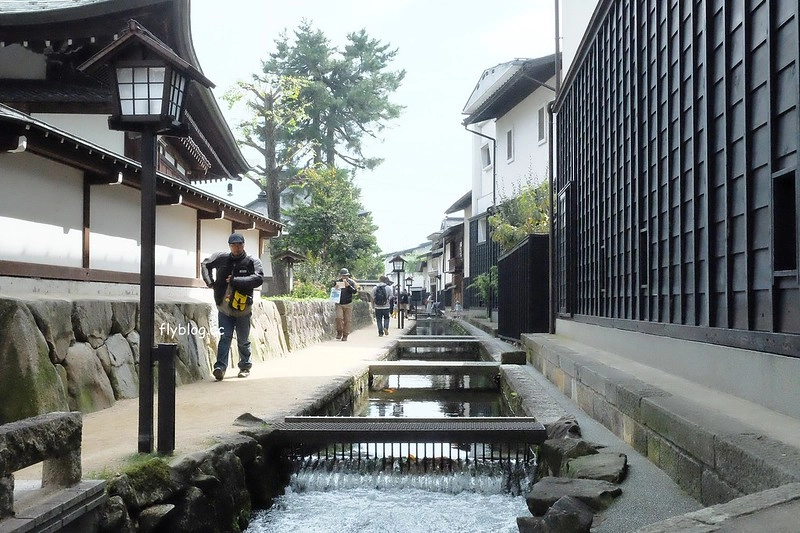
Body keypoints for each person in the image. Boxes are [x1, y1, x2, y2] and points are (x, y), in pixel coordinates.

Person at [201, 233, 264, 381]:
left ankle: (245, 366)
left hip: (243, 308)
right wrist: (210, 282)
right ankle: (220, 368)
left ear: (243, 245)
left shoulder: (252, 261)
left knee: (243, 339)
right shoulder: (221, 258)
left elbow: (258, 278)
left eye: (239, 244)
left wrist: (236, 280)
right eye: (233, 245)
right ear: (229, 246)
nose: (237, 247)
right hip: (224, 308)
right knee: (225, 337)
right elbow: (205, 264)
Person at [332, 268, 358, 341]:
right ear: (341, 275)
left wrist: (348, 286)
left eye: (346, 276)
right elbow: (332, 292)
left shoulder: (351, 282)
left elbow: (355, 291)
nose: (344, 277)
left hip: (348, 303)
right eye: (343, 276)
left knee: (347, 320)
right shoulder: (337, 282)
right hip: (339, 303)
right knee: (338, 318)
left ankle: (345, 335)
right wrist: (335, 288)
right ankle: (339, 332)